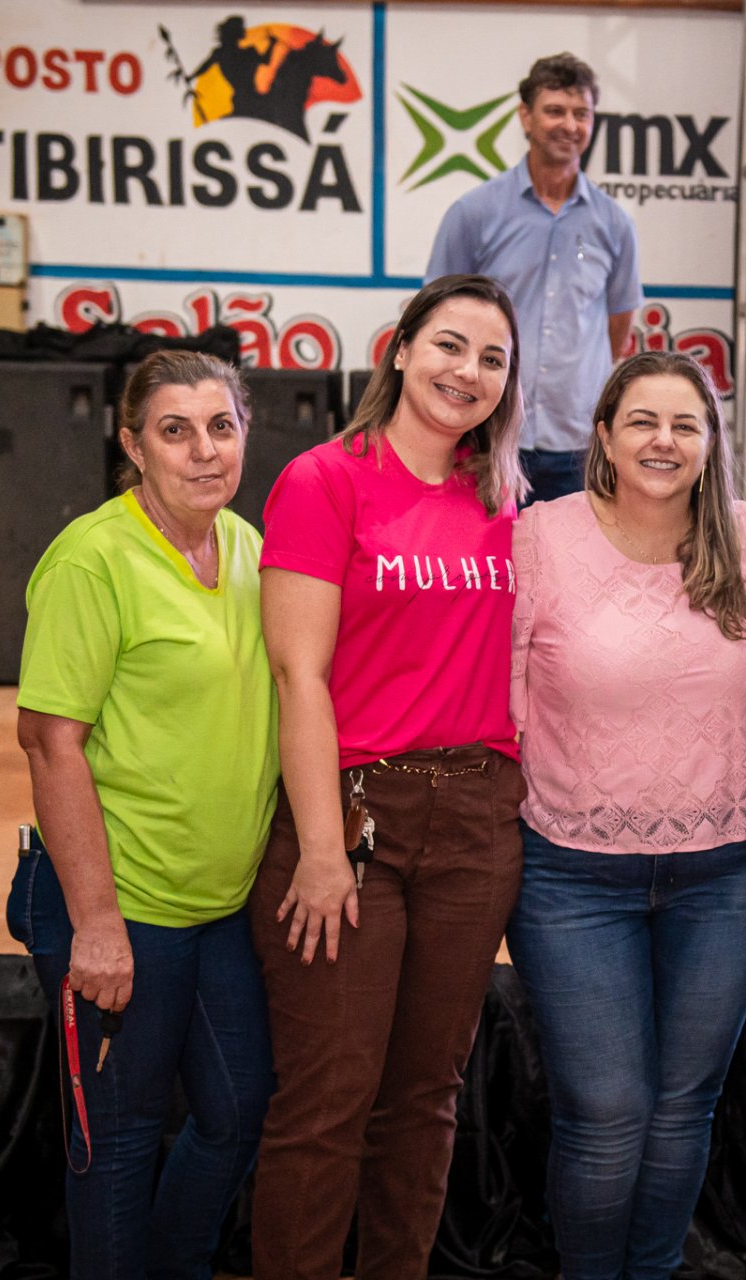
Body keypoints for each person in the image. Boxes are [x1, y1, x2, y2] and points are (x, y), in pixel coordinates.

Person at [248, 274, 528, 1280]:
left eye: (492, 359)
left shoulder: (503, 497)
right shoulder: (325, 480)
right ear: (401, 348)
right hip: (355, 813)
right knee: (328, 1099)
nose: (468, 371)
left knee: (426, 1098)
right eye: (449, 345)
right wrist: (322, 850)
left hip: (478, 818)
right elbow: (299, 676)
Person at [506, 350, 746, 1279]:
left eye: (685, 424)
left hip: (730, 871)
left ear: (711, 441)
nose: (664, 441)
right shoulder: (541, 537)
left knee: (682, 1107)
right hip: (573, 876)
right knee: (607, 1112)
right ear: (605, 436)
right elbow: (502, 696)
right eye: (643, 422)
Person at [8, 350, 278, 1280]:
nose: (204, 451)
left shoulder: (249, 548)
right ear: (132, 445)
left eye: (221, 427)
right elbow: (50, 743)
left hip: (217, 905)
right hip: (120, 903)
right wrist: (95, 922)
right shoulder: (92, 559)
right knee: (118, 1142)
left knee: (239, 1110)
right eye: (175, 431)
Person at [425, 51, 642, 503]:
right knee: (484, 548)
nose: (570, 125)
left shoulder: (614, 223)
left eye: (581, 114)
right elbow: (434, 319)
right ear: (525, 116)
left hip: (578, 442)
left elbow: (618, 325)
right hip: (488, 433)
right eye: (555, 111)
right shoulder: (474, 212)